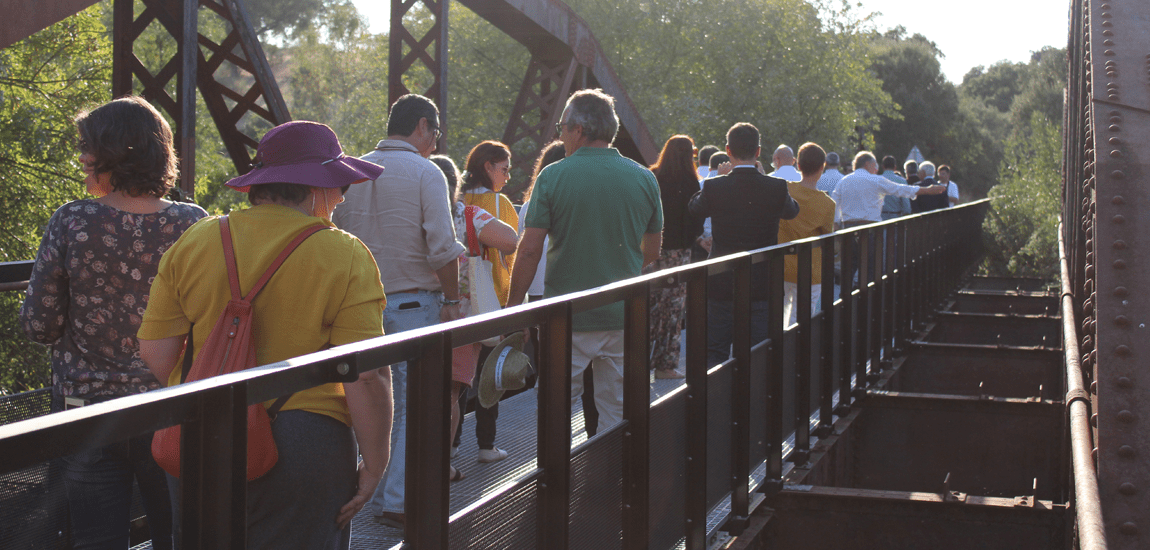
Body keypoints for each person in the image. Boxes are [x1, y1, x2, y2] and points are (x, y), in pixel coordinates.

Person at [137, 121, 393, 549]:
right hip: (302, 442)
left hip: (200, 434)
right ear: (316, 188)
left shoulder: (197, 239)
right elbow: (366, 375)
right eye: (340, 186)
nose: (342, 197)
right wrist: (375, 463)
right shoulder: (344, 253)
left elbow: (155, 351)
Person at [19, 96, 206, 550]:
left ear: (111, 153)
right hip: (171, 406)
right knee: (177, 534)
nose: (82, 158)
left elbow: (40, 325)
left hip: (85, 409)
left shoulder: (73, 220)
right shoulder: (193, 224)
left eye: (88, 148)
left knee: (95, 539)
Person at [330, 93, 464, 531]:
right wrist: (452, 300)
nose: (435, 141)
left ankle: (360, 493)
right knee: (411, 406)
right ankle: (399, 499)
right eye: (435, 132)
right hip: (412, 304)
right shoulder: (427, 172)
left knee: (362, 401)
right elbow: (442, 245)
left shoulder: (353, 171)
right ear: (422, 126)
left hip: (357, 306)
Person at [506, 89, 663, 435]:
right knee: (617, 410)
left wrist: (514, 309)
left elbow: (529, 250)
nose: (560, 136)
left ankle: (559, 469)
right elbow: (652, 251)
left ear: (578, 129)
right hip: (623, 313)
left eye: (561, 127)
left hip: (567, 315)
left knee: (557, 407)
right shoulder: (644, 177)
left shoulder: (553, 176)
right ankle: (609, 467)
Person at [430, 155, 518, 480]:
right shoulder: (466, 214)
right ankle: (441, 463)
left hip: (415, 313)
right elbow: (510, 240)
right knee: (450, 394)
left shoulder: (412, 216)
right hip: (460, 317)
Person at [688, 122, 799, 367]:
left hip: (721, 280)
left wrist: (715, 178)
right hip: (763, 282)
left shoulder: (715, 186)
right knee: (759, 352)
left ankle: (714, 391)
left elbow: (694, 208)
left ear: (728, 150)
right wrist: (765, 178)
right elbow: (792, 211)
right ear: (758, 152)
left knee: (715, 351)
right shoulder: (776, 186)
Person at [454, 141, 520, 465]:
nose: (507, 176)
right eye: (504, 169)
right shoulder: (498, 203)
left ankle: (452, 443)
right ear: (488, 167)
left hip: (459, 299)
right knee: (489, 373)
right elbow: (512, 248)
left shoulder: (458, 202)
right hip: (491, 296)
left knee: (457, 378)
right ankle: (486, 444)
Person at [646, 135, 704, 379]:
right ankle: (665, 364)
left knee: (648, 305)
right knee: (672, 310)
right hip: (679, 253)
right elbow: (696, 220)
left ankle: (638, 360)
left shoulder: (653, 176)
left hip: (650, 251)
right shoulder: (691, 182)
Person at [778, 142, 836, 328]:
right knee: (800, 322)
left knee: (777, 318)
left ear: (798, 165)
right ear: (822, 167)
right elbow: (828, 239)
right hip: (810, 270)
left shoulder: (784, 190)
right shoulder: (828, 204)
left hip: (780, 265)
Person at [832, 152, 947, 228]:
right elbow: (900, 189)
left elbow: (834, 202)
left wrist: (836, 223)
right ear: (867, 164)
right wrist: (927, 190)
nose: (876, 169)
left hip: (848, 228)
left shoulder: (843, 181)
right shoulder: (876, 180)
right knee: (871, 257)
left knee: (850, 257)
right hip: (870, 227)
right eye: (874, 165)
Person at [880, 155, 912, 220]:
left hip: (880, 217)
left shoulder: (877, 180)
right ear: (895, 167)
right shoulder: (902, 181)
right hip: (896, 217)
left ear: (882, 166)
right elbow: (906, 203)